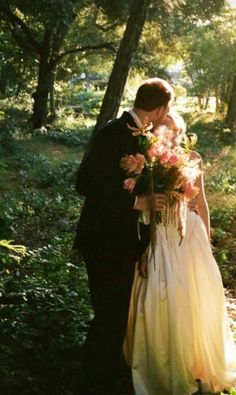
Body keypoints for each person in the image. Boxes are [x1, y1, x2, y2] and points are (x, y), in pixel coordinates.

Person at [73, 78, 174, 395]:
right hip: (103, 241)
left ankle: (107, 373)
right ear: (159, 108)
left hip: (124, 243)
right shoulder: (114, 133)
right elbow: (86, 184)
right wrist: (136, 201)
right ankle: (92, 382)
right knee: (108, 315)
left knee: (117, 315)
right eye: (165, 109)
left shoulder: (144, 139)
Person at [123, 111, 236, 395]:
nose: (170, 134)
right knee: (162, 297)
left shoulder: (193, 157)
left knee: (194, 298)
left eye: (175, 130)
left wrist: (207, 240)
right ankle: (163, 364)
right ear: (157, 131)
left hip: (189, 236)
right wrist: (144, 246)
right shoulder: (148, 160)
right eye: (165, 128)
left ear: (182, 132)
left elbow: (202, 201)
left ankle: (195, 362)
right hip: (160, 235)